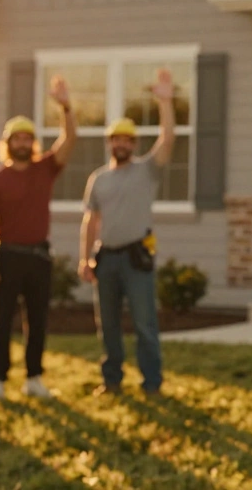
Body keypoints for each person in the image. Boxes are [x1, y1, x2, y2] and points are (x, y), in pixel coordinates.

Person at [0, 76, 77, 402]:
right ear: (7, 143)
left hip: (39, 257)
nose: (22, 142)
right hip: (6, 255)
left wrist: (65, 106)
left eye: (27, 138)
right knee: (1, 323)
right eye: (16, 138)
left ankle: (33, 378)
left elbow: (70, 138)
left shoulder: (45, 169)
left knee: (37, 321)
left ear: (32, 142)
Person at [78, 68, 175, 396]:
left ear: (133, 144)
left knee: (145, 325)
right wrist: (85, 258)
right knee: (108, 326)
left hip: (137, 258)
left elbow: (168, 139)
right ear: (109, 144)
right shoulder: (98, 179)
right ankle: (112, 381)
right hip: (106, 259)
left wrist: (165, 102)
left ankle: (152, 383)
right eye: (115, 139)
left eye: (126, 139)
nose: (121, 143)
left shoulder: (147, 170)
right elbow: (91, 221)